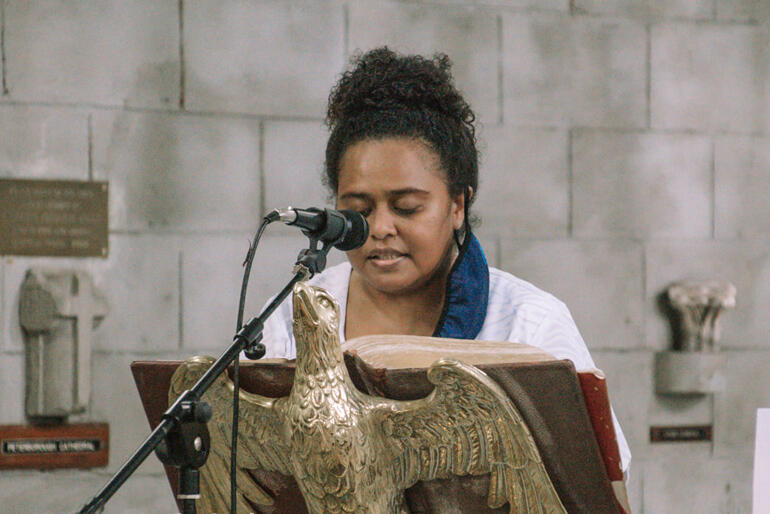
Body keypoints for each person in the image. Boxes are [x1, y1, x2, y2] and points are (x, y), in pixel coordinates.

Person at [261, 47, 631, 473]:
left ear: (458, 205)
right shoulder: (294, 315)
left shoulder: (530, 324)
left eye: (407, 207)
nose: (380, 227)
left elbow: (596, 480)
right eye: (358, 209)